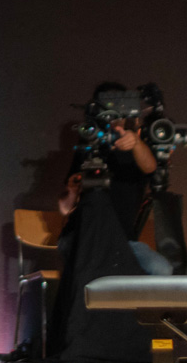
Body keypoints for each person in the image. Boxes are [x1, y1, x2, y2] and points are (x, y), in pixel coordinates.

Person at [58, 82, 171, 276]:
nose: (113, 115)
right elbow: (65, 209)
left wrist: (135, 143)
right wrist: (72, 190)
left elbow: (150, 166)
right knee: (93, 269)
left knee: (161, 269)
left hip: (124, 242)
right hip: (85, 239)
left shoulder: (138, 147)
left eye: (119, 107)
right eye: (107, 108)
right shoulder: (89, 145)